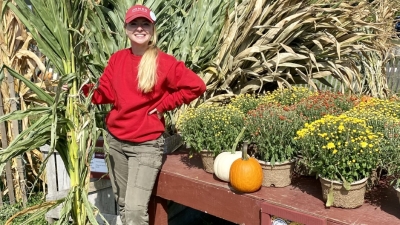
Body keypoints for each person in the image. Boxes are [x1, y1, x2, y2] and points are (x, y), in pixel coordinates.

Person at [82, 4, 206, 225]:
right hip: (115, 142)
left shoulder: (164, 63)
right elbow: (104, 95)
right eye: (134, 23)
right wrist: (81, 88)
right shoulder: (117, 59)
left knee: (135, 210)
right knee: (123, 203)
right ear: (126, 28)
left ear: (152, 29)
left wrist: (165, 104)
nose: (139, 28)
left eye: (145, 23)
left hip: (146, 146)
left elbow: (196, 86)